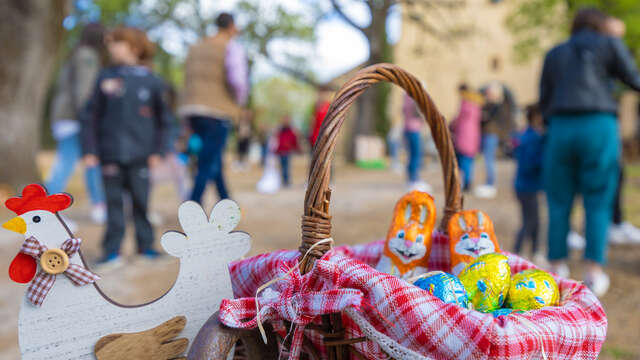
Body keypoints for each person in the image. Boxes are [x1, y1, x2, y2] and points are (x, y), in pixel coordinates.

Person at [539, 8, 640, 296]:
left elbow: (544, 98)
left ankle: (556, 267)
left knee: (558, 200)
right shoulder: (609, 43)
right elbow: (633, 78)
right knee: (598, 200)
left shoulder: (554, 53)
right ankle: (593, 271)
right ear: (601, 26)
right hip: (599, 126)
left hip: (560, 128)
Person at [82, 26, 170, 269]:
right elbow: (90, 116)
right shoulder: (104, 78)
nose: (112, 48)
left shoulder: (152, 81)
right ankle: (111, 251)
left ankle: (146, 247)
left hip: (141, 155)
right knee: (113, 204)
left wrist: (158, 150)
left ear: (134, 47)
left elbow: (164, 120)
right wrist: (90, 149)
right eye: (110, 44)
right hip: (110, 154)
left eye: (117, 43)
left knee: (141, 201)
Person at [180, 12, 248, 203]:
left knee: (213, 159)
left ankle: (227, 203)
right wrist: (238, 103)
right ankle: (192, 207)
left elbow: (187, 79)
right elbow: (238, 80)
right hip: (216, 112)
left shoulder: (196, 47)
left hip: (192, 110)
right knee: (207, 163)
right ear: (231, 26)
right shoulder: (231, 47)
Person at [47, 23, 106, 224]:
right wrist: (90, 118)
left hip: (65, 117)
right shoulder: (87, 56)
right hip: (75, 118)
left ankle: (98, 205)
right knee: (74, 163)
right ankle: (48, 209)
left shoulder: (76, 54)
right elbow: (84, 91)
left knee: (82, 162)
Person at [600, 16, 640, 244]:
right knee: (602, 177)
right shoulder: (602, 54)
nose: (619, 42)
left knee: (616, 173)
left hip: (607, 122)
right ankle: (607, 225)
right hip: (599, 125)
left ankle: (615, 221)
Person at [513, 104, 545, 264]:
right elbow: (529, 164)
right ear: (537, 117)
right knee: (529, 221)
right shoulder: (533, 138)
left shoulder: (527, 136)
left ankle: (534, 251)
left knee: (535, 220)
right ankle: (517, 251)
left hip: (525, 186)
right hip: (527, 187)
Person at [451, 84, 484, 191]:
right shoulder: (476, 104)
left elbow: (458, 120)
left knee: (463, 161)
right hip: (473, 135)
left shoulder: (464, 104)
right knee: (469, 160)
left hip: (464, 135)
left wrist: (452, 125)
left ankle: (465, 182)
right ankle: (468, 180)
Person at [475, 82, 504, 198]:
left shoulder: (496, 105)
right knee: (487, 159)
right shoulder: (489, 104)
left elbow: (487, 118)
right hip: (488, 134)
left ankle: (490, 183)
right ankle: (488, 182)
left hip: (491, 134)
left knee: (489, 159)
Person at [402, 93, 430, 192]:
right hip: (414, 128)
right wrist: (424, 116)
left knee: (412, 155)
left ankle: (411, 179)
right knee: (416, 154)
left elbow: (403, 110)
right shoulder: (414, 97)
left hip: (407, 127)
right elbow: (418, 110)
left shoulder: (406, 96)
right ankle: (414, 180)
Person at [275, 117, 299, 187]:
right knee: (282, 167)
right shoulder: (280, 131)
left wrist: (296, 148)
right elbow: (277, 141)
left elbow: (294, 140)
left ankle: (286, 181)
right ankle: (284, 181)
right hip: (281, 151)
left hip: (287, 151)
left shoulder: (291, 131)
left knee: (286, 167)